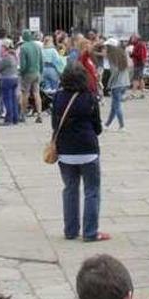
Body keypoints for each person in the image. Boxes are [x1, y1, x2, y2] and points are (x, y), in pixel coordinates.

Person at [51, 62, 109, 241]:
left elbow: (54, 125)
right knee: (92, 191)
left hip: (66, 151)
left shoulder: (58, 97)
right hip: (88, 150)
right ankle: (90, 232)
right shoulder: (90, 98)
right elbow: (97, 127)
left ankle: (70, 230)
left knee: (70, 189)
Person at [103, 39, 130, 132]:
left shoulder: (112, 56)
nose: (105, 48)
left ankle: (122, 126)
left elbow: (114, 71)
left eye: (107, 46)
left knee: (116, 105)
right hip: (124, 83)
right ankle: (107, 124)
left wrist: (109, 83)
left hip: (116, 84)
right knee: (114, 106)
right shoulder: (122, 53)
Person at [19, 30, 44, 124]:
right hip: (37, 72)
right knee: (37, 93)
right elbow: (41, 61)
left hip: (27, 73)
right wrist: (41, 71)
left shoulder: (23, 47)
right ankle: (39, 114)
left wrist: (21, 72)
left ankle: (23, 114)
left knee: (25, 94)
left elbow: (23, 64)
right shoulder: (37, 46)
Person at [0, 40, 20, 125]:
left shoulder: (6, 57)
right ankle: (15, 118)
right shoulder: (14, 56)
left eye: (2, 47)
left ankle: (9, 119)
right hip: (15, 78)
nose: (1, 49)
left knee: (7, 100)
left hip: (7, 79)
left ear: (5, 48)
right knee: (13, 99)